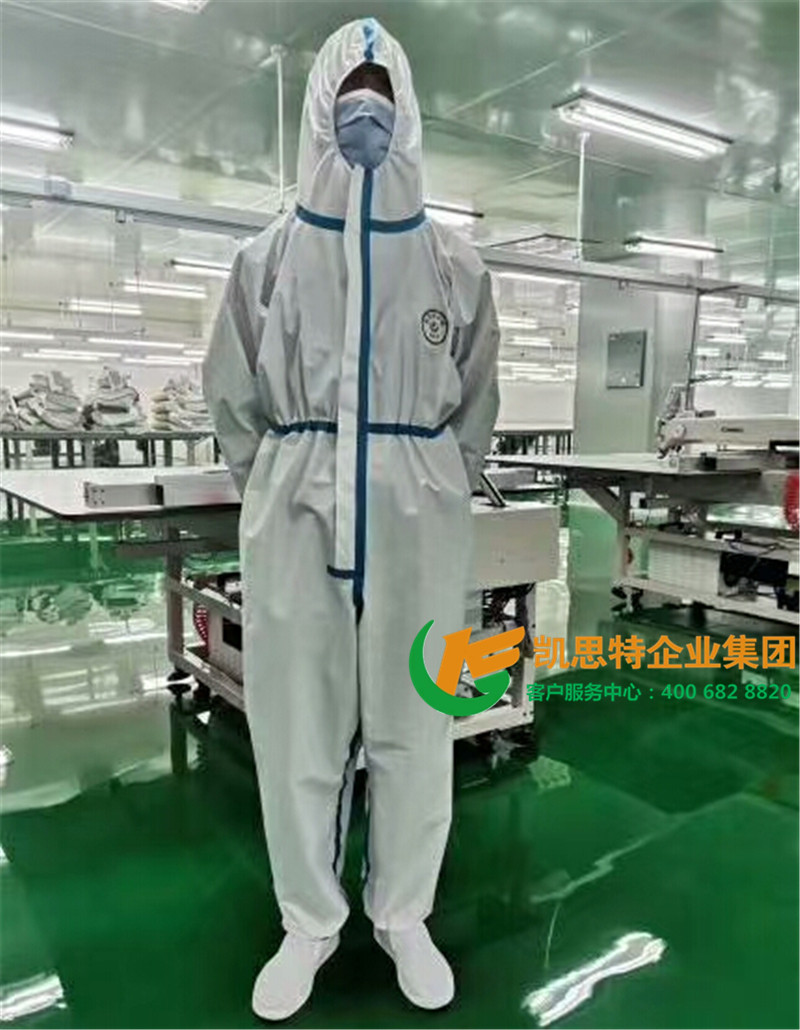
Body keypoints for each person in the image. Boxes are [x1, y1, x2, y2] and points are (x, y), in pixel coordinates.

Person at [203, 17, 499, 1021]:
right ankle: (309, 923)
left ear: (405, 110)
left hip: (418, 506)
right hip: (297, 501)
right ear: (319, 106)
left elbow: (475, 402)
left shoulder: (454, 263)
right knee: (298, 724)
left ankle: (402, 913)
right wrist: (280, 482)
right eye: (348, 88)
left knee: (419, 714)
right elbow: (233, 398)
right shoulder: (266, 260)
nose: (363, 107)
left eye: (381, 88)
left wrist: (433, 484)